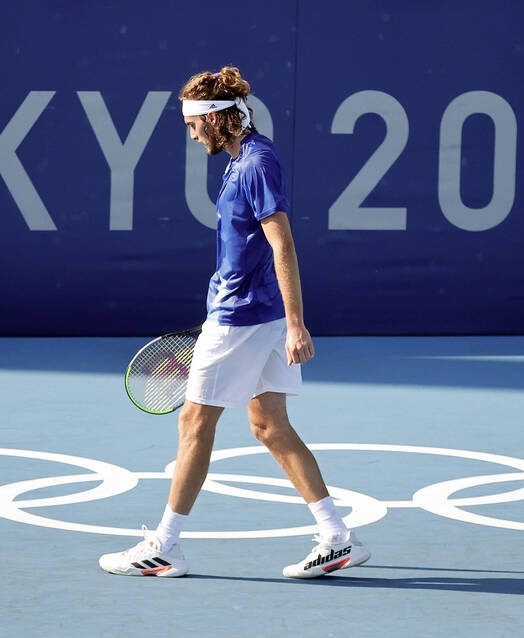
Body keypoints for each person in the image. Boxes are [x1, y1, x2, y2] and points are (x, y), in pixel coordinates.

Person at [98, 66, 369, 579]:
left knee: (194, 423)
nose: (190, 134)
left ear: (216, 118)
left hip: (244, 318)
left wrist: (297, 324)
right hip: (256, 313)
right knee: (269, 425)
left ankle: (164, 546)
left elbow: (282, 244)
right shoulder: (250, 155)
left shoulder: (254, 165)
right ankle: (337, 537)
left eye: (192, 124)